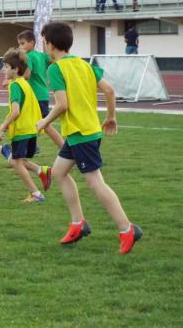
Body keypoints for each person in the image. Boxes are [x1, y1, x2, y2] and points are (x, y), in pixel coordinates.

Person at [36, 22, 142, 254]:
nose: (44, 46)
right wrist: (111, 117)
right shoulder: (84, 65)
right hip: (84, 131)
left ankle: (127, 229)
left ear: (50, 44)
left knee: (95, 183)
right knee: (59, 173)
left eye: (44, 41)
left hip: (81, 133)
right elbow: (110, 90)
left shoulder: (55, 69)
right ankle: (78, 224)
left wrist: (44, 122)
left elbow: (62, 105)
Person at [0, 48, 52, 203]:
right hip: (31, 130)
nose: (3, 69)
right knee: (19, 160)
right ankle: (42, 170)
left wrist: (3, 125)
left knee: (16, 162)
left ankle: (36, 194)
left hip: (22, 130)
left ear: (15, 69)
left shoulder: (14, 85)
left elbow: (16, 111)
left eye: (6, 67)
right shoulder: (25, 84)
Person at [17, 30, 64, 148]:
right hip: (42, 94)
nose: (20, 47)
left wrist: (13, 79)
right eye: (19, 44)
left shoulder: (28, 57)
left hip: (36, 96)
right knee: (27, 120)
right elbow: (57, 61)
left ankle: (65, 148)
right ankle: (31, 146)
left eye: (22, 43)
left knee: (46, 126)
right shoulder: (41, 55)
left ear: (32, 42)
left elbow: (26, 75)